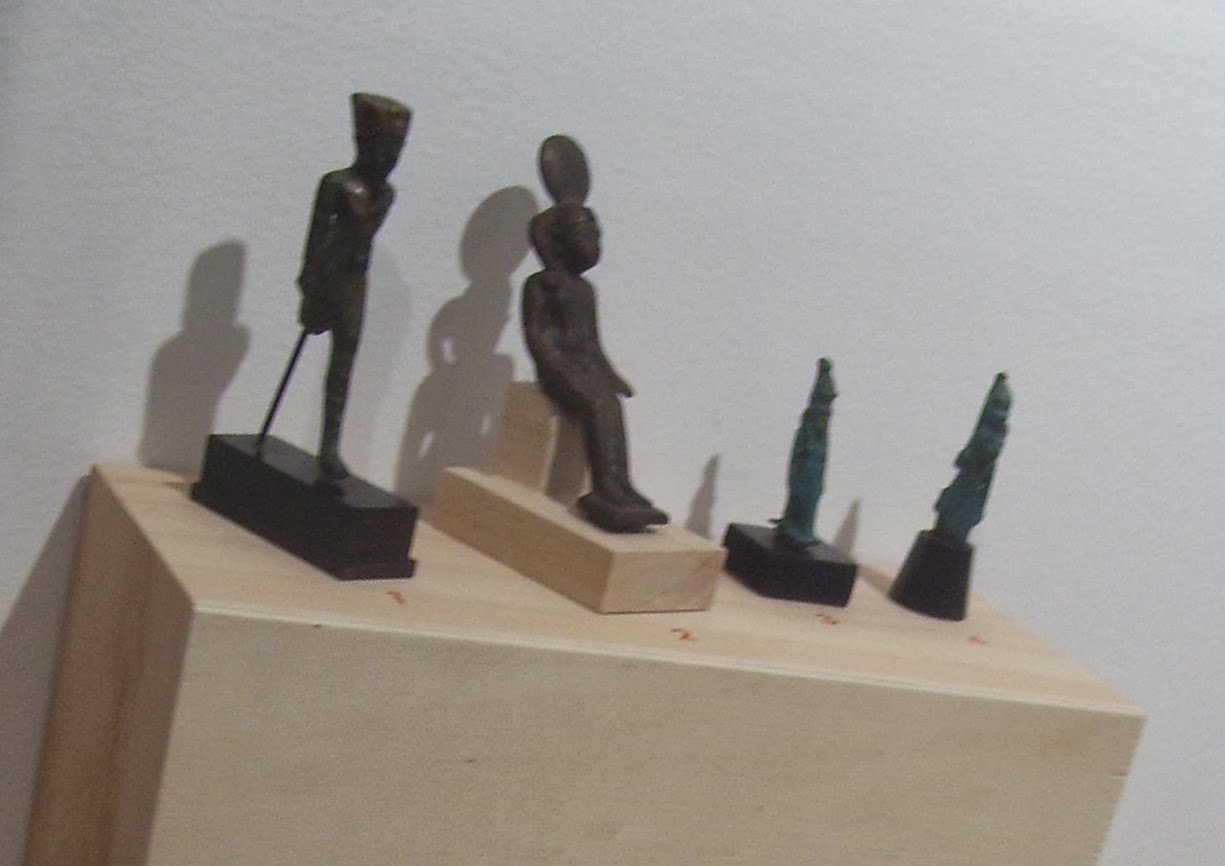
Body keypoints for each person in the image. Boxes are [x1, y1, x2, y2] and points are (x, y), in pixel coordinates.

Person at [522, 164, 668, 532]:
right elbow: (537, 336)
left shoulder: (585, 291)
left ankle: (620, 484)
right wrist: (558, 369)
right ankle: (606, 489)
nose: (593, 243)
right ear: (559, 241)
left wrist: (611, 374)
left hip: (585, 369)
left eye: (595, 235)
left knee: (611, 401)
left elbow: (593, 342)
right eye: (583, 235)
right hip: (559, 371)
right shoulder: (542, 285)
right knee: (598, 403)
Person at [297, 93, 410, 479]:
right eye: (383, 147)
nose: (389, 158)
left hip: (355, 282)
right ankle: (328, 446)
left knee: (344, 363)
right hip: (329, 276)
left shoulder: (387, 194)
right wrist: (310, 286)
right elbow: (315, 240)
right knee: (332, 351)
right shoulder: (337, 185)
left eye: (396, 149)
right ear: (362, 142)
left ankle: (330, 445)